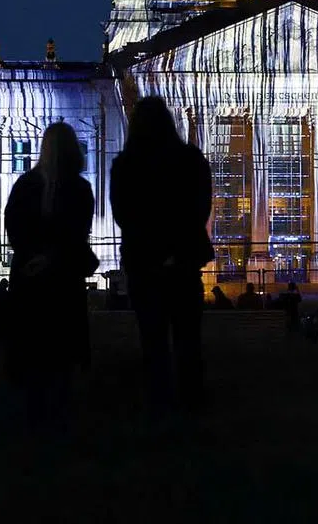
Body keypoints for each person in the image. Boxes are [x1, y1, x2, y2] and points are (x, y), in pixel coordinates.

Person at [110, 96, 214, 414]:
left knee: (153, 340)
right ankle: (192, 405)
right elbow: (200, 208)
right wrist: (176, 249)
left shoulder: (125, 164)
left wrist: (153, 250)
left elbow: (123, 214)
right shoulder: (191, 159)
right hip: (183, 262)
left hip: (145, 264)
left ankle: (159, 403)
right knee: (188, 339)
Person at [5, 122, 97, 426]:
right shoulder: (80, 188)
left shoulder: (25, 185)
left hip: (30, 280)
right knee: (62, 350)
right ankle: (61, 414)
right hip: (63, 280)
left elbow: (14, 228)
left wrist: (33, 258)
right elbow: (77, 234)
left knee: (34, 348)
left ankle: (34, 415)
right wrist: (54, 258)